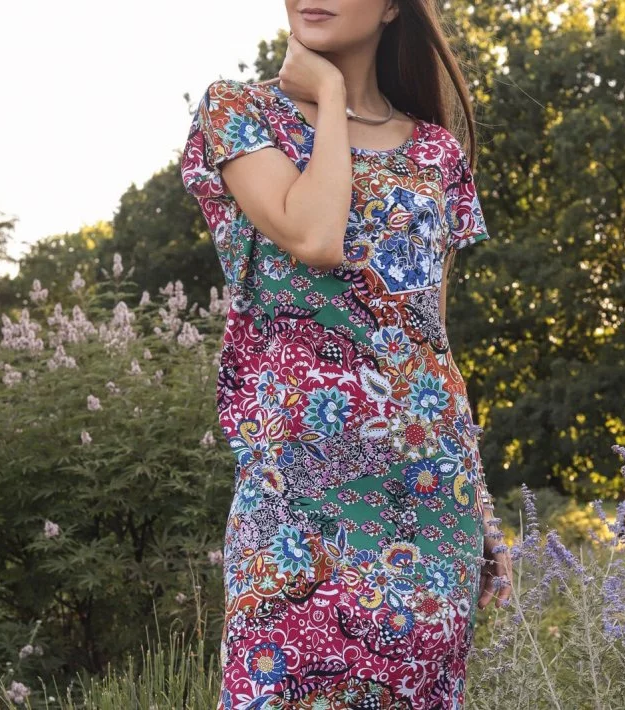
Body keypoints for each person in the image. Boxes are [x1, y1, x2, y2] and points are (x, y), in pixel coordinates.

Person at [181, 1, 512, 707]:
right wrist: (331, 94)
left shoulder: (435, 153)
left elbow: (430, 343)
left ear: (392, 6)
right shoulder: (238, 111)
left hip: (429, 504)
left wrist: (479, 501)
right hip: (291, 503)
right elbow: (315, 236)